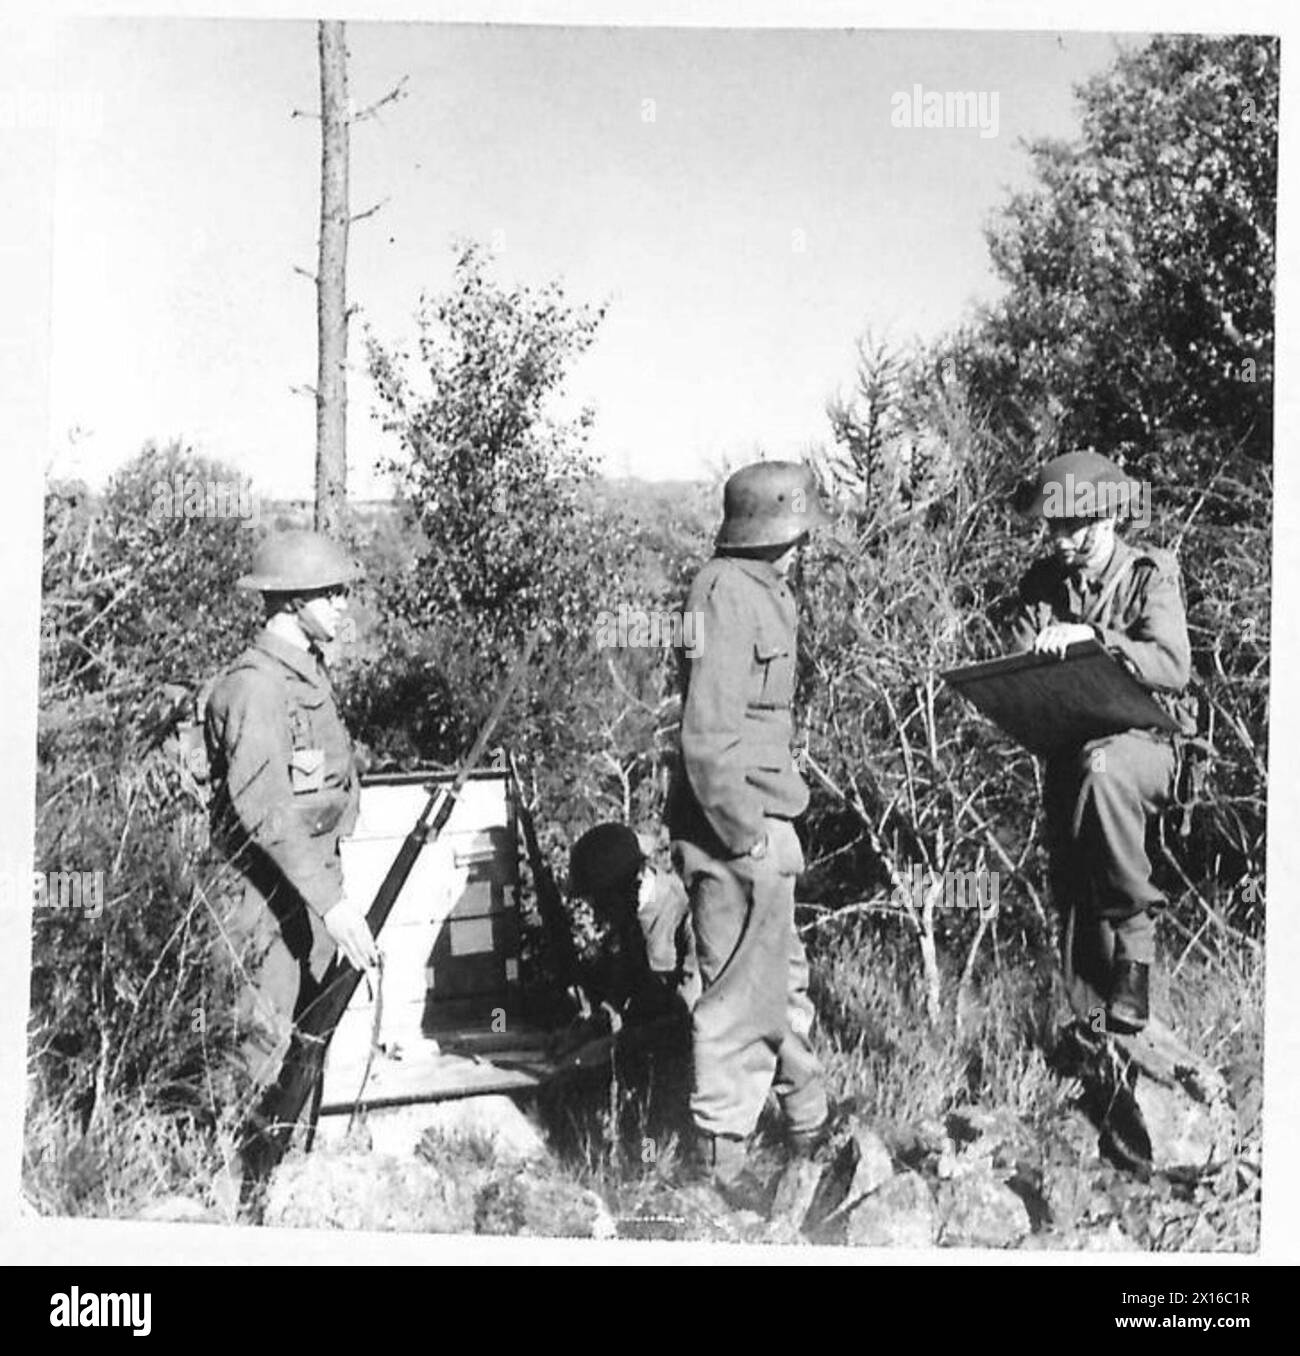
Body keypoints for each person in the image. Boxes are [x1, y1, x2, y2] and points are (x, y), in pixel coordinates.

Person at [665, 460, 832, 1206]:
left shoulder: (765, 590)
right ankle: (720, 1167)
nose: (801, 545)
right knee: (738, 1001)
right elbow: (705, 735)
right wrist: (744, 834)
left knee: (776, 985)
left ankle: (808, 1122)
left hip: (768, 816)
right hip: (737, 826)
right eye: (795, 531)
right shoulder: (727, 593)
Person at [1004, 451, 1195, 1034]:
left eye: (1074, 529)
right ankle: (1093, 1027)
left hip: (1147, 745)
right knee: (1072, 878)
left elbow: (1171, 665)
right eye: (1052, 528)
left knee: (1104, 768)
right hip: (1071, 746)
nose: (1060, 541)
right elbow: (1016, 664)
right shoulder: (1042, 584)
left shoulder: (1148, 575)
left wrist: (1094, 640)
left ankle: (1136, 955)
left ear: (1110, 520)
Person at [204, 530, 379, 1131]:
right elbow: (264, 810)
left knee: (308, 1052)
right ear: (288, 602)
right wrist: (332, 906)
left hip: (308, 898)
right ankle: (239, 1194)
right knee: (260, 1058)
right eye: (328, 593)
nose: (341, 605)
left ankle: (288, 1191)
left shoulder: (306, 677)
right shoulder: (256, 687)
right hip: (263, 909)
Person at [568, 822, 699, 1024]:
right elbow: (622, 987)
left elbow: (691, 1013)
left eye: (602, 905)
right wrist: (602, 1017)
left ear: (633, 883)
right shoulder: (630, 915)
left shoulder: (686, 911)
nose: (597, 918)